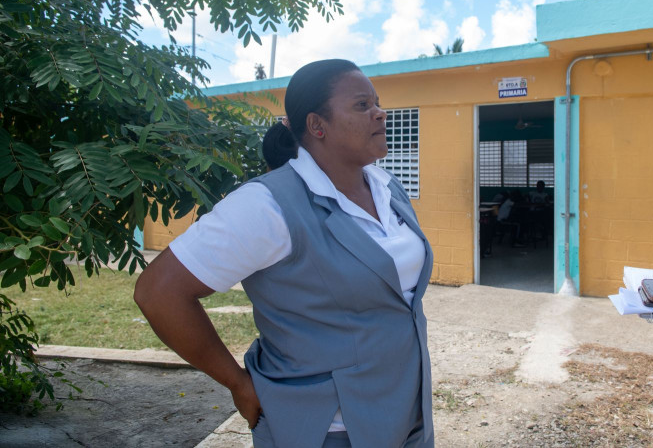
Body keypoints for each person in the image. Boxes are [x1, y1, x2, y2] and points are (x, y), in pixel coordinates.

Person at [134, 59, 434, 448]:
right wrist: (237, 382)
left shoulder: (387, 189)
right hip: (330, 428)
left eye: (377, 102)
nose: (380, 113)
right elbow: (158, 293)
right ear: (316, 125)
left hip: (405, 413)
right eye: (362, 105)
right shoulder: (268, 205)